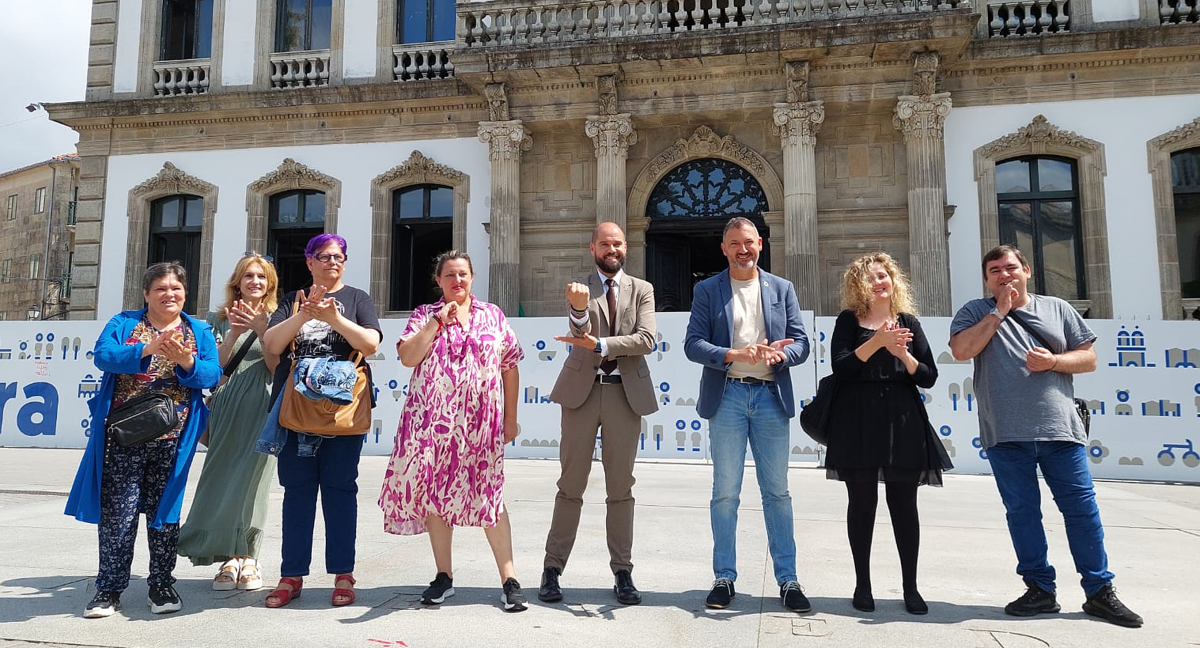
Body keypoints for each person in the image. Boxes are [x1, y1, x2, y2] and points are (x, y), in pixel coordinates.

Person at [949, 244, 1142, 628]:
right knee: (1023, 514)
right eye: (995, 271)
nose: (1004, 276)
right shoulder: (975, 311)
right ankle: (1039, 589)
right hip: (1005, 432)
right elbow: (961, 350)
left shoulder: (1057, 308)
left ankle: (1099, 591)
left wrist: (1053, 362)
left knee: (1081, 511)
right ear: (987, 279)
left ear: (1027, 270)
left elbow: (1088, 358)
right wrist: (999, 312)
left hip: (1060, 431)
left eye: (1010, 268)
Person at [65, 262, 222, 618]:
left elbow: (212, 373)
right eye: (161, 289)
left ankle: (162, 584)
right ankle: (108, 588)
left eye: (176, 288)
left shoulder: (198, 330)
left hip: (174, 439)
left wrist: (187, 362)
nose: (170, 294)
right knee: (118, 515)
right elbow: (104, 356)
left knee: (164, 514)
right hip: (124, 437)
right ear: (146, 294)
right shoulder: (124, 324)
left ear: (185, 292)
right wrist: (147, 349)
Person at [378, 250, 528, 612]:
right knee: (434, 496)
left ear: (472, 278)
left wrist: (511, 417)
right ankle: (443, 576)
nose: (456, 281)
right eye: (449, 275)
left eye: (462, 274)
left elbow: (509, 366)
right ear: (439, 281)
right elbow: (408, 357)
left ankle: (509, 579)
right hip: (431, 424)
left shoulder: (493, 315)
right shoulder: (423, 316)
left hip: (481, 424)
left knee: (490, 494)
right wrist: (436, 324)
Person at [683, 217, 811, 612]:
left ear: (760, 244)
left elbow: (802, 344)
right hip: (728, 398)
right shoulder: (707, 289)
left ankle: (787, 581)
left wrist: (781, 354)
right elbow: (692, 344)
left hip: (771, 397)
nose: (743, 250)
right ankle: (724, 577)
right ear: (724, 248)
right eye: (735, 243)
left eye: (750, 242)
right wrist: (732, 355)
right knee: (725, 493)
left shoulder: (782, 288)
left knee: (778, 494)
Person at [538, 222, 658, 606]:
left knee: (620, 489)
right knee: (570, 485)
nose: (612, 248)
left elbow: (647, 340)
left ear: (626, 247)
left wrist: (602, 344)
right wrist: (577, 310)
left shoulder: (642, 289)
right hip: (582, 395)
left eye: (618, 243)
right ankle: (552, 569)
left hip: (625, 396)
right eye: (605, 243)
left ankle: (623, 572)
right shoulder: (579, 288)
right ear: (592, 248)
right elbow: (579, 331)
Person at [260, 234, 381, 609]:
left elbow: (371, 344)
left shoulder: (357, 299)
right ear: (310, 261)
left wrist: (334, 318)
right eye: (325, 256)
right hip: (297, 412)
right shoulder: (292, 300)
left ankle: (343, 573)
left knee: (341, 491)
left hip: (343, 412)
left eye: (340, 256)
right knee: (297, 493)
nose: (334, 262)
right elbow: (272, 346)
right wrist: (304, 313)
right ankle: (291, 575)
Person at [824, 253, 942, 615]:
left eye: (884, 276)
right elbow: (841, 368)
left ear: (893, 281)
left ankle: (911, 587)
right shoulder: (848, 320)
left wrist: (901, 354)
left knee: (905, 506)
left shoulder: (908, 321)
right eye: (871, 278)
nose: (879, 282)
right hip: (856, 417)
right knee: (861, 505)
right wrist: (876, 342)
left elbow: (928, 375)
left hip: (901, 417)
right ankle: (863, 585)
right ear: (859, 285)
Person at [177, 253, 280, 592]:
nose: (255, 282)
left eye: (262, 277)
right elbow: (213, 370)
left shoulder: (279, 316)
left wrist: (263, 329)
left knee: (254, 483)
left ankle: (248, 556)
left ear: (270, 284)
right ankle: (227, 557)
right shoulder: (214, 318)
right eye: (249, 276)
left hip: (262, 405)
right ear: (237, 282)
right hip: (226, 403)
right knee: (219, 478)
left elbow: (276, 367)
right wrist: (234, 333)